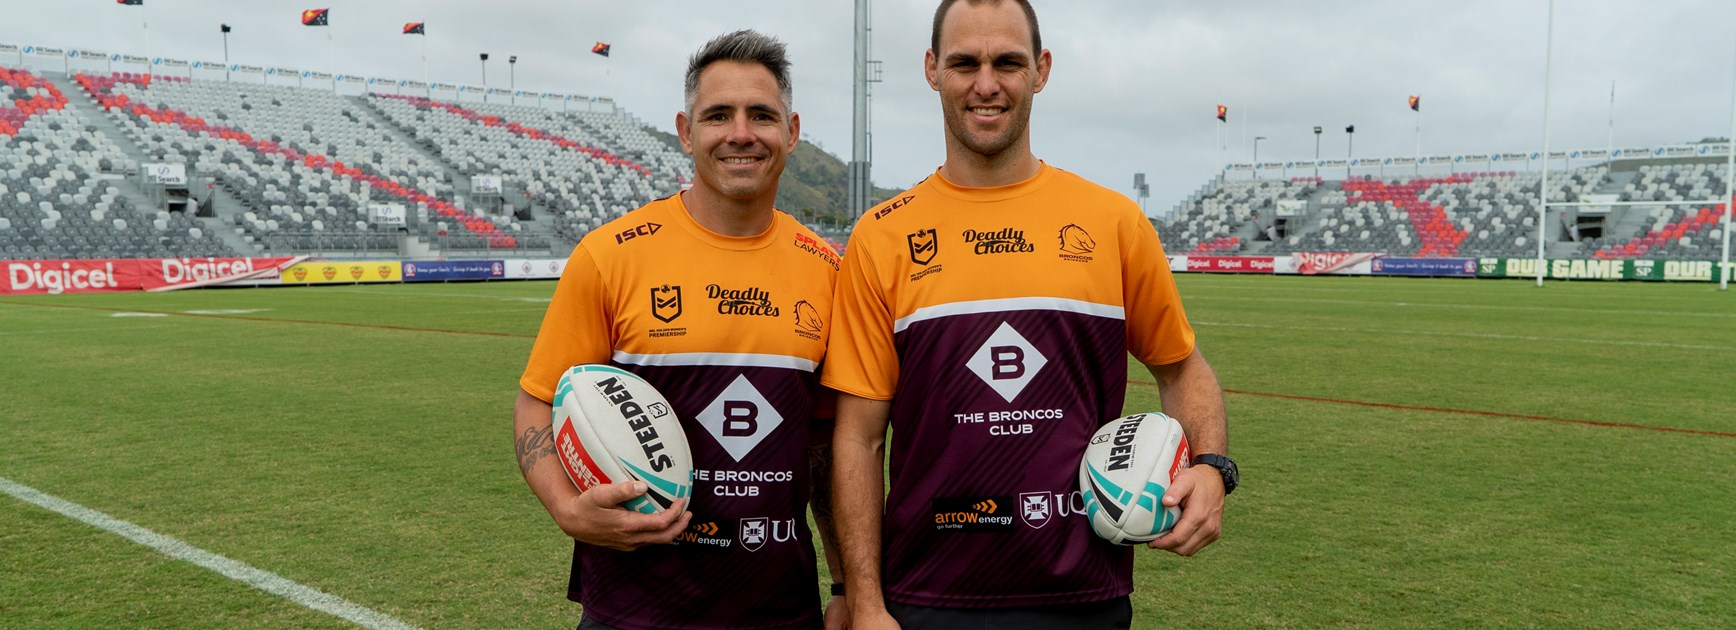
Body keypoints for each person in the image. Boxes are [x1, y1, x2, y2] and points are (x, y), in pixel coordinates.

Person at [822, 1, 1238, 628]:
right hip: (924, 598)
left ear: (1041, 70)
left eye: (1008, 63)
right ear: (932, 70)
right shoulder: (882, 238)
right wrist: (866, 603)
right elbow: (858, 437)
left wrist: (1211, 466)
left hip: (1083, 597)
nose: (986, 84)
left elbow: (1182, 369)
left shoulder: (1113, 223)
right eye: (965, 63)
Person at [513, 30, 846, 630]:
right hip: (631, 609)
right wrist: (566, 508)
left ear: (791, 132)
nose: (740, 133)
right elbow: (538, 400)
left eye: (761, 115)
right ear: (686, 131)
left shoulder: (827, 270)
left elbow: (825, 446)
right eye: (718, 115)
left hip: (780, 610)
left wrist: (845, 584)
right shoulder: (610, 255)